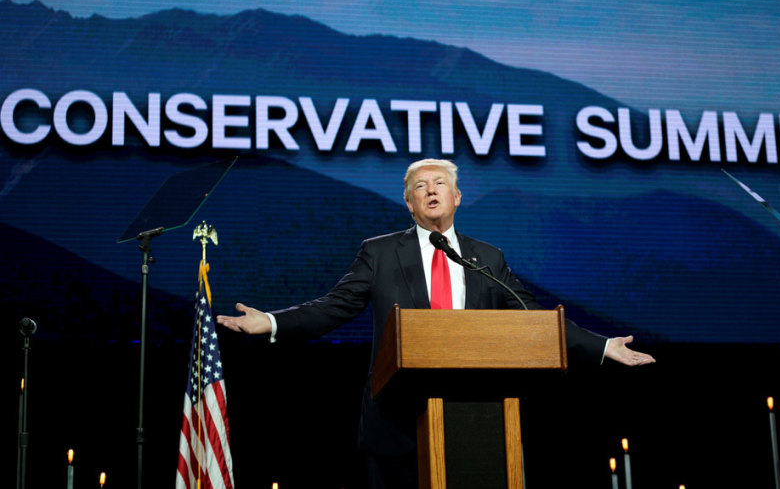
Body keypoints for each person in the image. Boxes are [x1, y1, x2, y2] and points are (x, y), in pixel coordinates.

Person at [217, 158, 655, 488]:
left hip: (479, 421)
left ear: (457, 197)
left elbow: (533, 318)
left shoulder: (487, 258)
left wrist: (600, 346)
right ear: (408, 203)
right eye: (420, 187)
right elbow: (333, 306)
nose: (431, 191)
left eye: (440, 184)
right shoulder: (381, 252)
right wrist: (271, 322)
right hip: (397, 422)